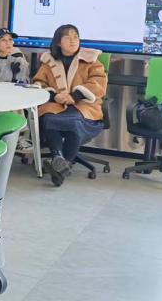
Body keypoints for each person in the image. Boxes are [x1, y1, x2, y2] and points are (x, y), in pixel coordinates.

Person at [32, 24, 107, 186]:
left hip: (84, 105)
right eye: (68, 37)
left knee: (74, 120)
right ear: (59, 42)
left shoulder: (91, 60)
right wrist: (55, 95)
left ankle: (61, 165)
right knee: (48, 117)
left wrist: (75, 96)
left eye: (76, 37)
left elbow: (98, 83)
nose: (73, 41)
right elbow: (38, 83)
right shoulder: (48, 62)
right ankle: (59, 158)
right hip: (57, 104)